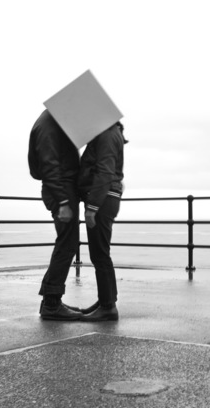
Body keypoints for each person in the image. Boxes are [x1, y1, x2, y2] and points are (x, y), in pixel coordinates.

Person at [28, 109, 84, 321]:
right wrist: (62, 201)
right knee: (67, 244)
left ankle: (51, 300)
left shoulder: (51, 122)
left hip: (63, 189)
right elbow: (49, 165)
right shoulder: (49, 125)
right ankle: (51, 303)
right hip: (61, 190)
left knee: (66, 243)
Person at [76, 121, 127, 322]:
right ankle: (106, 300)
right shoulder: (112, 132)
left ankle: (108, 307)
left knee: (100, 254)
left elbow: (105, 171)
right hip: (107, 197)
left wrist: (92, 207)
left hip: (103, 199)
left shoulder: (106, 133)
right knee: (101, 254)